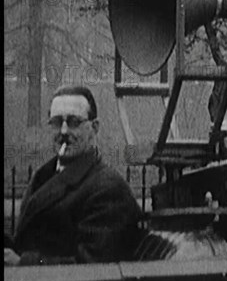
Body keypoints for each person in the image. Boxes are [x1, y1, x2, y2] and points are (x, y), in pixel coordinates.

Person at [4, 85, 144, 266]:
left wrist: (21, 263)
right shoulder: (45, 175)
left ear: (94, 128)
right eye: (56, 122)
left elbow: (91, 268)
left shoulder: (108, 191)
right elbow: (26, 239)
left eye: (73, 122)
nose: (63, 132)